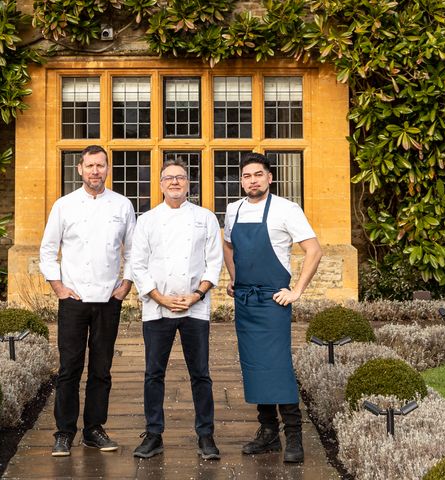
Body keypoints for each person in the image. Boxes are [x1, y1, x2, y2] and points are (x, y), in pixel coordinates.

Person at [223, 152, 322, 465]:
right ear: (242, 181)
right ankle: (268, 433)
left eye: (258, 175)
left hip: (273, 300)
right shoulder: (233, 210)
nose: (252, 180)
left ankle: (293, 434)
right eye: (247, 176)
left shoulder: (286, 209)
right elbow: (228, 245)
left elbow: (314, 250)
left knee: (278, 366)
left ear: (270, 177)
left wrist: (296, 291)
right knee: (253, 366)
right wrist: (235, 278)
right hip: (245, 300)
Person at [39, 144, 135, 456]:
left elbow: (133, 250)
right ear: (79, 169)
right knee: (68, 368)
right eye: (90, 166)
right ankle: (64, 432)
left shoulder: (122, 205)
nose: (95, 171)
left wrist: (125, 286)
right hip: (74, 299)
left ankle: (94, 429)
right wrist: (58, 287)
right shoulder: (63, 206)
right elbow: (48, 249)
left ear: (108, 169)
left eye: (101, 166)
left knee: (101, 368)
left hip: (108, 299)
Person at [130, 159, 223, 461]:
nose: (174, 182)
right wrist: (160, 297)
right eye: (168, 178)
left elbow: (214, 261)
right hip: (158, 310)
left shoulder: (205, 217)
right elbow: (137, 264)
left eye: (180, 178)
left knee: (201, 374)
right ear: (159, 184)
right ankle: (153, 434)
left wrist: (197, 295)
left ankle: (206, 435)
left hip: (195, 309)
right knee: (153, 374)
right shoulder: (146, 220)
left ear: (188, 183)